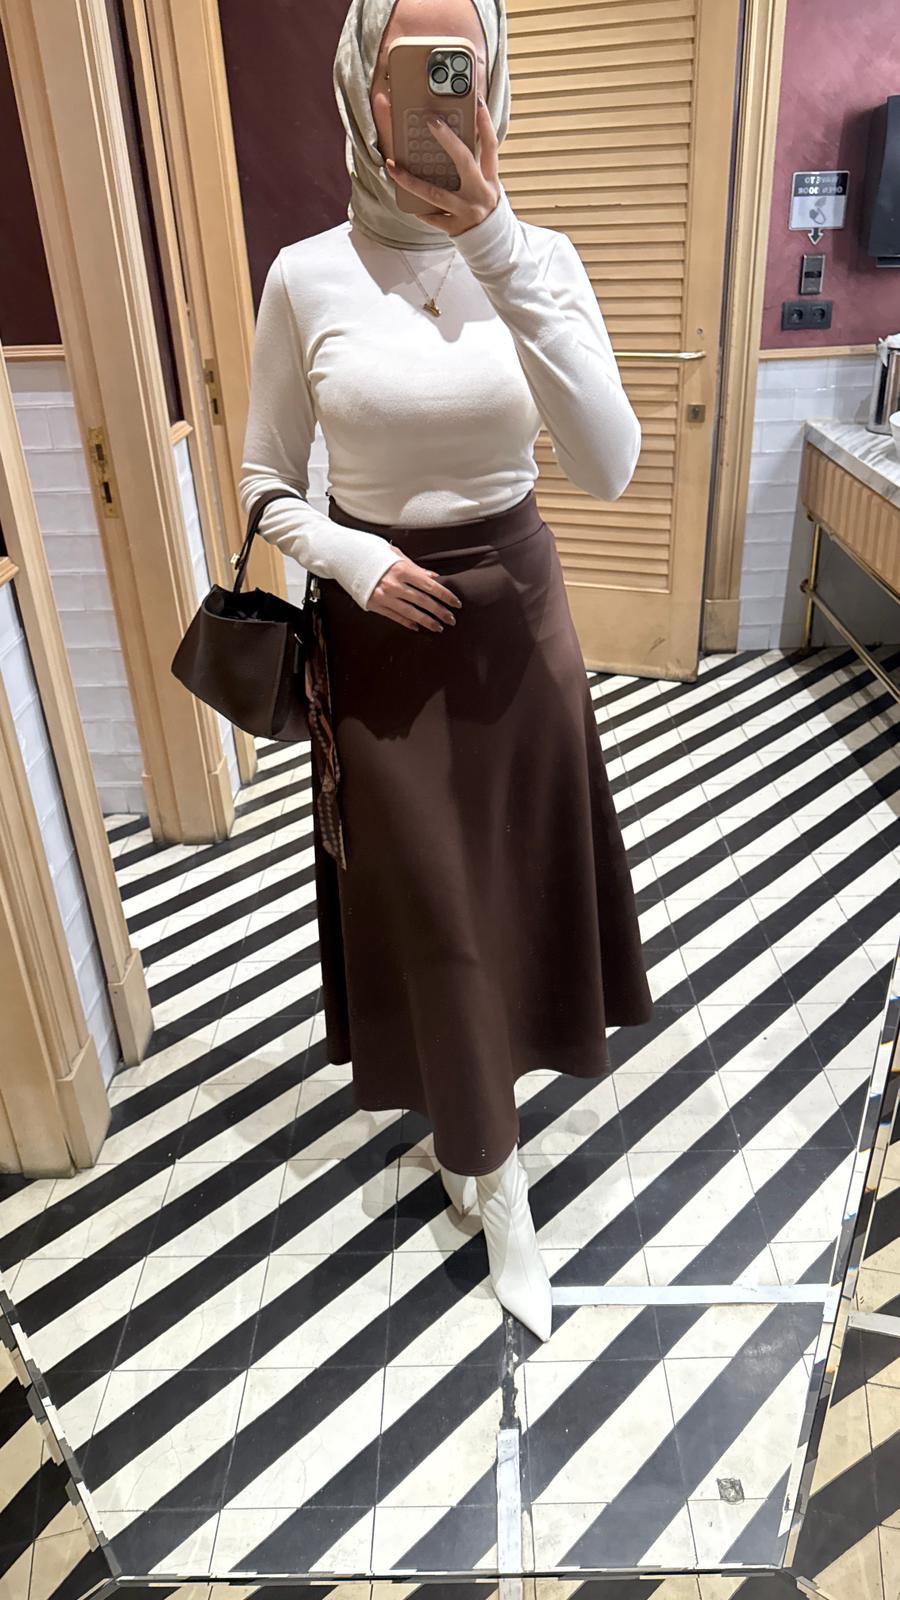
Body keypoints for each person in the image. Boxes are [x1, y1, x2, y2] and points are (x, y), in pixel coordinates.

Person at [239, 0, 654, 1343]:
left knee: (512, 896)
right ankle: (492, 1164)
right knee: (437, 914)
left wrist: (496, 243)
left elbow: (608, 465)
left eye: (455, 63)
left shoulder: (540, 256)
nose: (429, 93)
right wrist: (350, 560)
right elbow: (259, 480)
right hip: (380, 645)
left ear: (494, 80)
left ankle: (488, 1150)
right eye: (404, 65)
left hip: (519, 631)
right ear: (362, 87)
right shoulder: (304, 276)